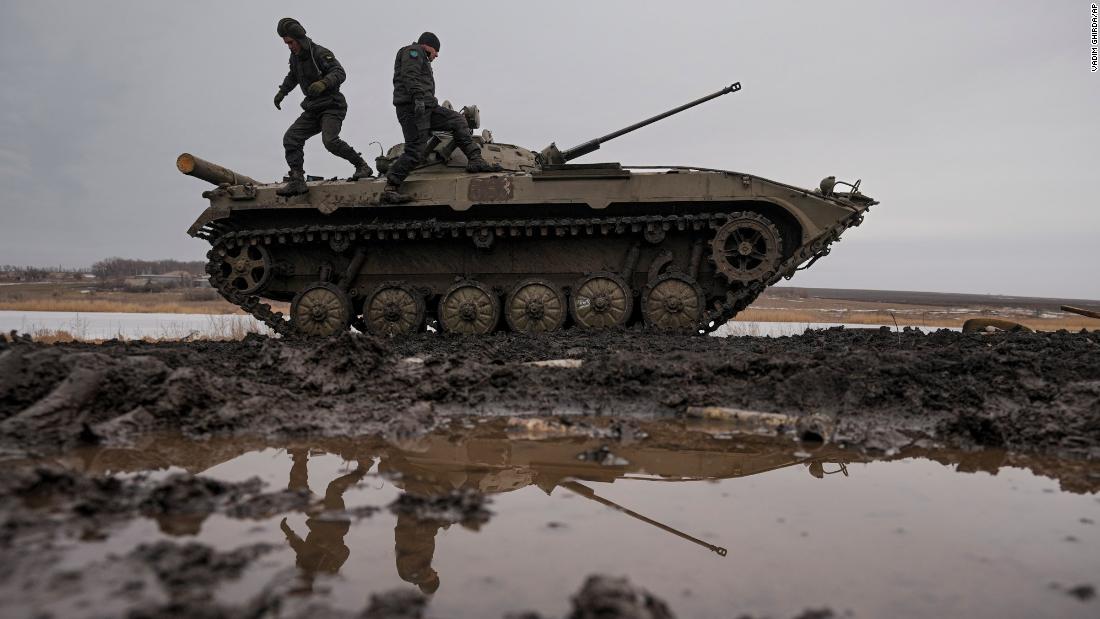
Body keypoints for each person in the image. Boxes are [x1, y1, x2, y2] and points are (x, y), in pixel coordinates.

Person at [382, 32, 501, 204]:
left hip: (429, 107)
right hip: (414, 108)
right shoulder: (412, 52)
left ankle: (476, 160)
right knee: (416, 150)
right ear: (427, 45)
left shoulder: (422, 57)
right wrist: (419, 99)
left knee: (457, 120)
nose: (436, 55)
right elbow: (410, 75)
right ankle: (391, 187)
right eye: (436, 50)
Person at [273, 17, 373, 197]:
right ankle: (297, 181)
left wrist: (324, 83)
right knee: (291, 138)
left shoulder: (319, 53)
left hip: (332, 105)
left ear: (299, 39)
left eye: (290, 42)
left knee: (330, 141)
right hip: (313, 108)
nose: (289, 46)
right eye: (286, 43)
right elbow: (293, 76)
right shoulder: (295, 57)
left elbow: (339, 72)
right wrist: (282, 92)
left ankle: (362, 166)